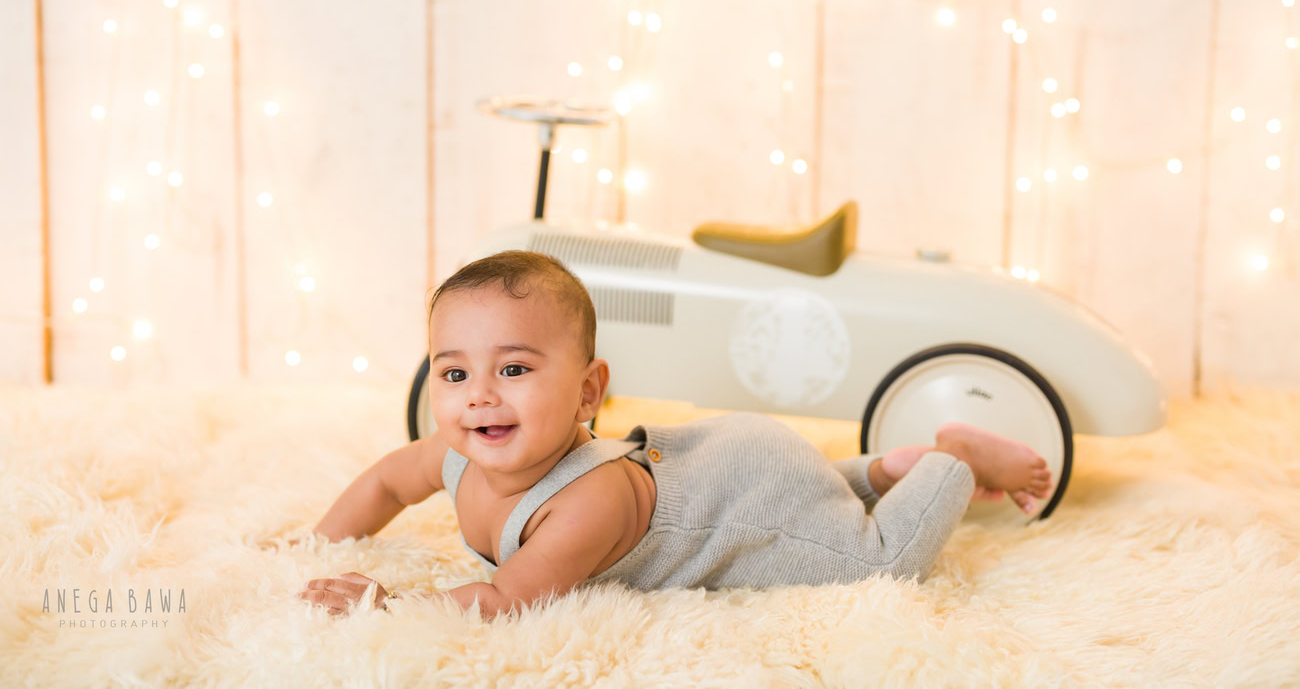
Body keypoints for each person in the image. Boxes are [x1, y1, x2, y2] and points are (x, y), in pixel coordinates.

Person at [298, 251, 1053, 618]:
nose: (480, 395)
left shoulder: (581, 503)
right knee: (822, 497)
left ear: (589, 390)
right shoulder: (455, 453)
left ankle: (950, 459)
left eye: (516, 368)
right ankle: (880, 471)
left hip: (745, 496)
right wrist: (314, 545)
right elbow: (385, 482)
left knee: (875, 557)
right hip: (722, 456)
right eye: (453, 374)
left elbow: (504, 599)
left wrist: (391, 604)